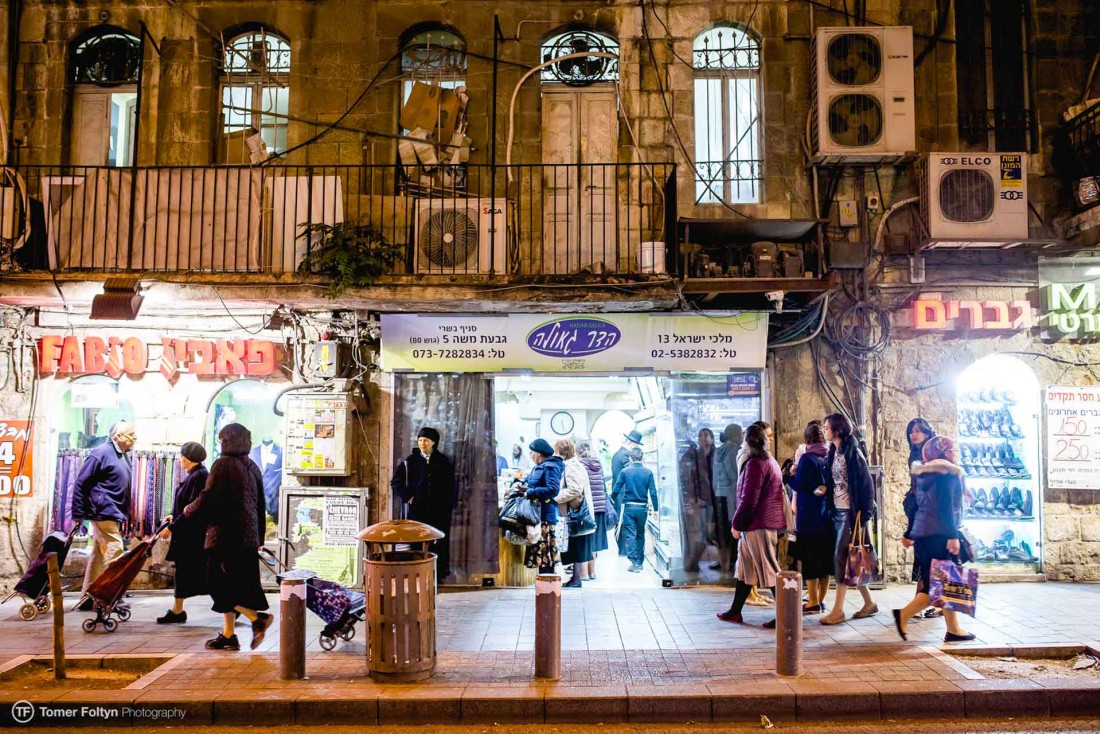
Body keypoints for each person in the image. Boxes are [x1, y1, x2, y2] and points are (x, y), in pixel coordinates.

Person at [168, 423, 272, 651]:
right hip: (248, 537)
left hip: (226, 537)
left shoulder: (222, 464)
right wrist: (259, 538)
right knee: (234, 585)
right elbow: (260, 505)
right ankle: (228, 635)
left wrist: (186, 512)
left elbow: (208, 497)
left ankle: (257, 619)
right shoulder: (251, 465)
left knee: (216, 584)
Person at [894, 435, 975, 642]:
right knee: (937, 586)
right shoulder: (947, 473)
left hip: (925, 536)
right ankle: (903, 615)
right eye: (951, 449)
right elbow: (947, 507)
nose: (955, 452)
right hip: (940, 535)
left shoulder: (925, 474)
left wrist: (910, 534)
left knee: (946, 582)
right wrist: (952, 535)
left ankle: (954, 628)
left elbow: (917, 506)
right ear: (943, 452)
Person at [717, 424, 785, 627]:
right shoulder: (769, 461)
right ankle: (735, 611)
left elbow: (748, 499)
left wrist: (737, 524)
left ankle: (787, 615)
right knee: (745, 567)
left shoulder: (756, 464)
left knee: (769, 570)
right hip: (759, 523)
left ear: (747, 442)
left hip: (758, 525)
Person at [819, 413, 879, 625]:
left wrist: (864, 514)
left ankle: (838, 610)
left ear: (837, 429)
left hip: (851, 514)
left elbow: (866, 484)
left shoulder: (853, 453)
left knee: (841, 558)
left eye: (827, 427)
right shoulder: (834, 451)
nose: (824, 430)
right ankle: (869, 602)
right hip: (838, 511)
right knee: (853, 558)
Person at [72, 421, 136, 610]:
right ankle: (109, 596)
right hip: (102, 511)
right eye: (131, 435)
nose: (135, 438)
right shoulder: (100, 453)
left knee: (98, 556)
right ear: (117, 436)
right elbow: (81, 483)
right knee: (114, 551)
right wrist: (78, 513)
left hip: (112, 511)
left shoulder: (122, 455)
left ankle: (89, 596)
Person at [391, 427, 457, 578]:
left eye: (426, 440)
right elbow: (396, 482)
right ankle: (417, 575)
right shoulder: (410, 461)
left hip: (439, 511)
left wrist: (448, 503)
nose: (422, 443)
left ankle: (437, 575)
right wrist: (408, 497)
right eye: (420, 440)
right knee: (417, 541)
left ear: (434, 442)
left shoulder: (443, 461)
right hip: (417, 510)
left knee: (438, 541)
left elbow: (451, 485)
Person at [157, 442, 210, 624]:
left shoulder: (199, 477)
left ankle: (237, 607)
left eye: (181, 457)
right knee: (185, 574)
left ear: (186, 459)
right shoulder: (195, 475)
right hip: (188, 534)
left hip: (191, 537)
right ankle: (177, 610)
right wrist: (174, 515)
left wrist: (172, 527)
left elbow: (193, 508)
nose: (180, 460)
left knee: (201, 575)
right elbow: (186, 505)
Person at [785, 422, 833, 615]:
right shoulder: (830, 456)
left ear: (808, 439)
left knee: (811, 561)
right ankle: (821, 601)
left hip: (809, 518)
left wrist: (789, 475)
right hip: (827, 518)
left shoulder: (807, 458)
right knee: (825, 562)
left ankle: (812, 601)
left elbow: (800, 485)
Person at [904, 418, 943, 621]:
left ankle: (931, 604)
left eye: (918, 430)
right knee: (923, 559)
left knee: (933, 561)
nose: (914, 434)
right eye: (911, 430)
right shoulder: (915, 454)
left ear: (928, 433)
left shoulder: (934, 453)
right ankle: (921, 602)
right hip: (921, 511)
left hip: (932, 515)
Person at [555, 438, 596, 588]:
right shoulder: (572, 465)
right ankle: (575, 578)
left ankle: (576, 579)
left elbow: (575, 489)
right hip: (575, 513)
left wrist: (556, 498)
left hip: (575, 514)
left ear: (561, 451)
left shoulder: (571, 466)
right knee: (575, 545)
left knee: (576, 545)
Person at [520, 438, 563, 573]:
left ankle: (548, 590)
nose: (530, 455)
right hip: (536, 514)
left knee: (545, 556)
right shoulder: (539, 466)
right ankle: (544, 589)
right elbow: (531, 481)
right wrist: (520, 484)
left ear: (538, 453)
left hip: (545, 515)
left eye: (531, 453)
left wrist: (530, 493)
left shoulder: (551, 466)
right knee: (540, 555)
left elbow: (553, 490)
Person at [612, 448, 658, 572]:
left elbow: (616, 489)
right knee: (640, 533)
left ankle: (634, 561)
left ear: (631, 459)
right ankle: (640, 561)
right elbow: (653, 492)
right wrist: (656, 509)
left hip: (629, 507)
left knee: (630, 534)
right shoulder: (648, 473)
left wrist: (611, 501)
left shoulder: (625, 471)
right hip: (642, 508)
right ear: (642, 457)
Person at [679, 428, 716, 573]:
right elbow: (687, 477)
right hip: (699, 501)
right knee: (700, 533)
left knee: (709, 533)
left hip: (714, 500)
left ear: (712, 438)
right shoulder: (693, 454)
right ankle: (692, 563)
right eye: (700, 435)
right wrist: (693, 498)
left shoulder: (715, 454)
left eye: (706, 435)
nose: (703, 438)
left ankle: (695, 563)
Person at [577, 439, 613, 580]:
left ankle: (584, 573)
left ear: (578, 451)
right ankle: (592, 572)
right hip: (600, 508)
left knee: (584, 540)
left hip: (586, 508)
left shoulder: (580, 465)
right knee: (594, 542)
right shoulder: (597, 464)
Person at [711, 424, 741, 572]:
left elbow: (715, 475)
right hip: (731, 494)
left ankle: (723, 560)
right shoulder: (734, 449)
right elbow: (733, 473)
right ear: (735, 435)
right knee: (733, 528)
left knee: (722, 529)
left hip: (719, 494)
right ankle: (732, 562)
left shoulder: (718, 451)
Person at [610, 429, 642, 556]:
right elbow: (628, 474)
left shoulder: (616, 454)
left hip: (618, 493)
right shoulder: (625, 455)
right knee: (624, 522)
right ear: (633, 443)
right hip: (624, 495)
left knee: (620, 521)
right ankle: (623, 550)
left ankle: (622, 549)